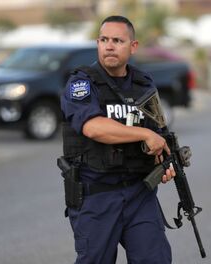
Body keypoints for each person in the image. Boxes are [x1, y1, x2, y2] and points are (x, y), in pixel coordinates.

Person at [59, 15, 176, 264]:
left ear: (133, 46)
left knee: (155, 259)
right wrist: (145, 134)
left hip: (139, 192)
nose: (109, 46)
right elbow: (94, 127)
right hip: (96, 196)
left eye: (117, 40)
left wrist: (165, 163)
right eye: (103, 40)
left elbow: (159, 133)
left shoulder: (143, 84)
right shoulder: (81, 83)